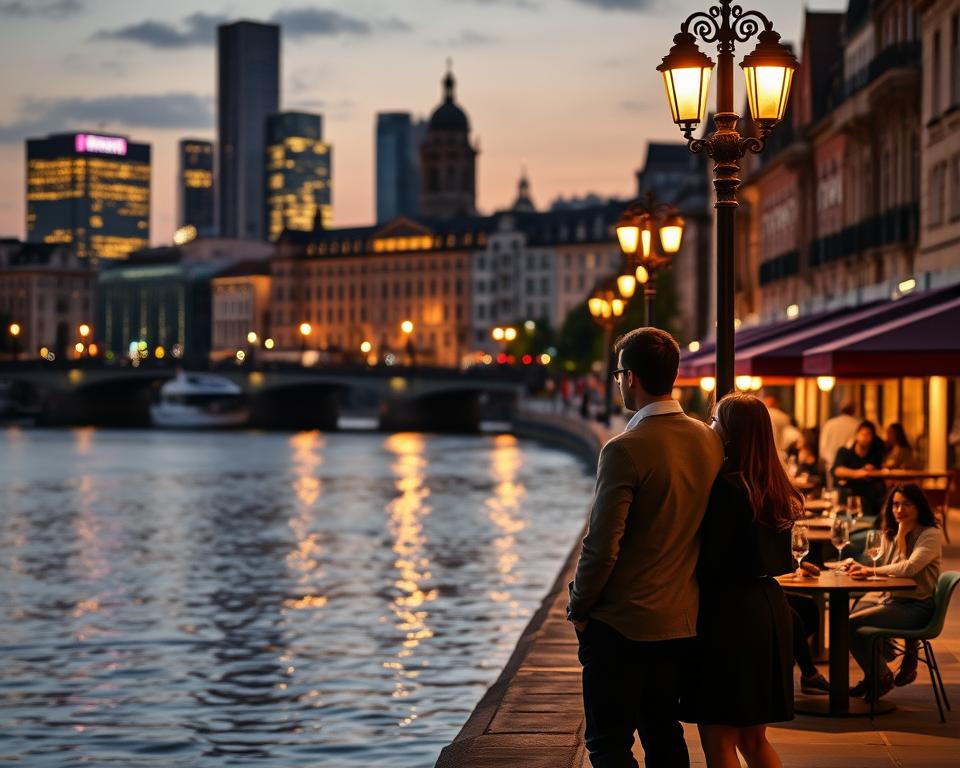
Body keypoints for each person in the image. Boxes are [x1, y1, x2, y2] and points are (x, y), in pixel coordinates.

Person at [567, 327, 723, 768]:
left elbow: (602, 545)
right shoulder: (708, 440)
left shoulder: (625, 450)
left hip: (622, 623)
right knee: (662, 730)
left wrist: (579, 606)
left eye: (618, 373)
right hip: (680, 621)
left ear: (630, 377)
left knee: (608, 742)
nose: (617, 382)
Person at [685, 392, 802, 768]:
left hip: (728, 617)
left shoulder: (725, 489)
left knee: (719, 742)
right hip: (769, 609)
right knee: (754, 740)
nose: (710, 428)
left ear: (731, 434)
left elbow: (710, 562)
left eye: (715, 422)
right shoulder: (774, 487)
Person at [848, 484, 943, 700]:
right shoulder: (893, 531)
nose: (899, 510)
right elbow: (884, 565)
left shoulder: (930, 534)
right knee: (858, 609)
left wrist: (870, 569)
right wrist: (855, 564)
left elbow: (908, 568)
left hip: (918, 607)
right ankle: (874, 674)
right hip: (893, 600)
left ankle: (881, 676)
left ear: (919, 507)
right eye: (896, 505)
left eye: (907, 504)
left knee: (851, 624)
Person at [832, 420, 887, 518]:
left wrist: (872, 472)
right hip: (847, 498)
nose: (865, 437)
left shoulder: (875, 455)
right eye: (862, 434)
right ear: (856, 435)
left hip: (869, 501)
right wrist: (859, 473)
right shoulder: (845, 452)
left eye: (868, 434)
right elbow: (837, 470)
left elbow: (881, 473)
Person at [819, 401, 860, 480]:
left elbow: (822, 447)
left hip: (830, 463)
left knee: (831, 491)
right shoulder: (856, 424)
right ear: (854, 410)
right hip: (849, 468)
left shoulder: (829, 424)